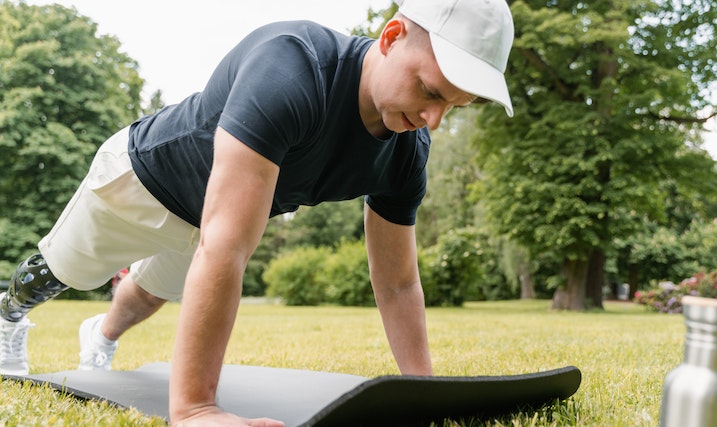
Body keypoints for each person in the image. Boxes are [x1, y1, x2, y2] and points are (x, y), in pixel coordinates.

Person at [0, 0, 514, 425]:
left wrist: (422, 398)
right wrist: (196, 408)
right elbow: (225, 245)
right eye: (429, 90)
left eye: (454, 105)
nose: (434, 119)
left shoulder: (406, 149)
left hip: (212, 222)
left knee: (150, 291)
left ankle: (102, 334)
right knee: (64, 271)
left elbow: (397, 282)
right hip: (138, 182)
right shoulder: (292, 66)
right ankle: (9, 314)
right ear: (392, 35)